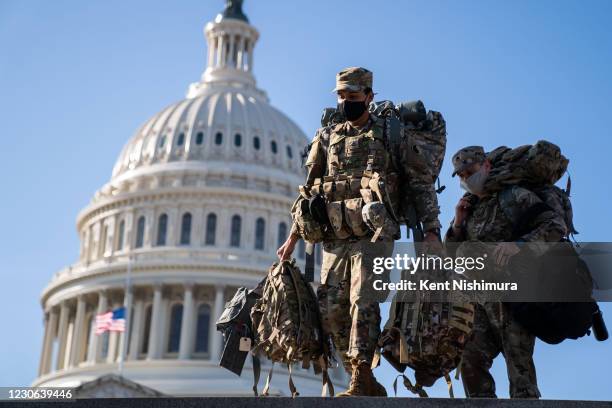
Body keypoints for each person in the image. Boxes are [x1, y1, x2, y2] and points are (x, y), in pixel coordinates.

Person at [277, 67, 442, 396]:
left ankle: (361, 372)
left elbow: (419, 182)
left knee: (363, 301)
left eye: (353, 96)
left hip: (374, 235)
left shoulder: (391, 135)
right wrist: (293, 236)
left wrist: (432, 230)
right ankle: (362, 376)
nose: (346, 102)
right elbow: (309, 190)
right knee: (330, 309)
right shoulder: (327, 137)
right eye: (341, 96)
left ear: (369, 96)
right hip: (334, 235)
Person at [445, 146, 567, 398]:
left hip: (515, 297)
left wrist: (519, 246)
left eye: (471, 171)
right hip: (480, 301)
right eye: (461, 175)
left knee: (520, 372)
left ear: (486, 166)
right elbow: (451, 255)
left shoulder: (514, 196)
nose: (466, 178)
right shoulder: (471, 207)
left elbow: (555, 226)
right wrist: (458, 221)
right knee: (470, 358)